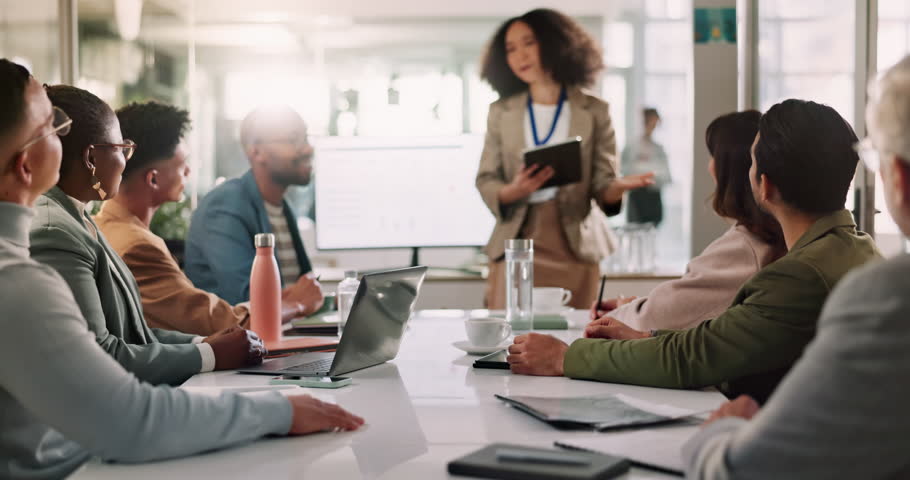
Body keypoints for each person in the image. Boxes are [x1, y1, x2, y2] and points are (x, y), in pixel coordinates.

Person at [0, 58, 363, 480]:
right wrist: (278, 410)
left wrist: (206, 348)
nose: (65, 136)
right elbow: (126, 419)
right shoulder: (18, 279)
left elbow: (125, 339)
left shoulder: (60, 235)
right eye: (53, 126)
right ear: (26, 165)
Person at [506, 99, 881, 404]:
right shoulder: (859, 250)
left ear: (764, 187)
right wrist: (644, 340)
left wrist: (563, 357)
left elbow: (692, 359)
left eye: (751, 163)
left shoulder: (796, 276)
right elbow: (717, 342)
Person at [682, 54, 910, 480]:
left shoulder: (887, 294)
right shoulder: (861, 254)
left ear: (898, 175)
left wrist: (722, 432)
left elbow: (746, 469)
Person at [29, 84, 261, 386]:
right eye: (122, 150)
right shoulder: (55, 230)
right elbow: (97, 355)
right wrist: (209, 354)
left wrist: (202, 343)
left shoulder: (79, 217)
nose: (126, 162)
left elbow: (132, 332)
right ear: (91, 159)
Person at [476, 8, 654, 310]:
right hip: (517, 241)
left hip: (575, 242)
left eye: (528, 43)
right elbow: (486, 179)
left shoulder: (595, 109)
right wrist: (515, 190)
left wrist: (617, 188)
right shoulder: (501, 111)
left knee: (572, 340)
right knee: (509, 340)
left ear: (555, 43)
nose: (520, 55)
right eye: (510, 49)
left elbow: (603, 184)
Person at [95, 101, 318, 336]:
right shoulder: (137, 246)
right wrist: (298, 303)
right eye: (183, 166)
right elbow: (222, 322)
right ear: (153, 180)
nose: (189, 172)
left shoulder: (109, 228)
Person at [592, 111, 786, 332]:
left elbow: (656, 317)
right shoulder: (779, 236)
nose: (709, 167)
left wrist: (624, 313)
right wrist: (632, 306)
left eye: (713, 156)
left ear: (729, 169)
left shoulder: (747, 248)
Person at [184, 105, 323, 308]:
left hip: (289, 336)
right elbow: (249, 300)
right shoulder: (224, 206)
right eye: (294, 140)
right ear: (257, 152)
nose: (308, 148)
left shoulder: (282, 206)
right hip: (244, 337)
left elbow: (305, 292)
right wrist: (300, 300)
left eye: (306, 138)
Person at [622, 108, 672, 226]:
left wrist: (645, 171)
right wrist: (651, 172)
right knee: (636, 233)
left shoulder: (659, 149)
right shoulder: (631, 147)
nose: (653, 126)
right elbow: (626, 172)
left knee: (652, 232)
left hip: (653, 198)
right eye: (651, 122)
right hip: (637, 198)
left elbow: (666, 176)